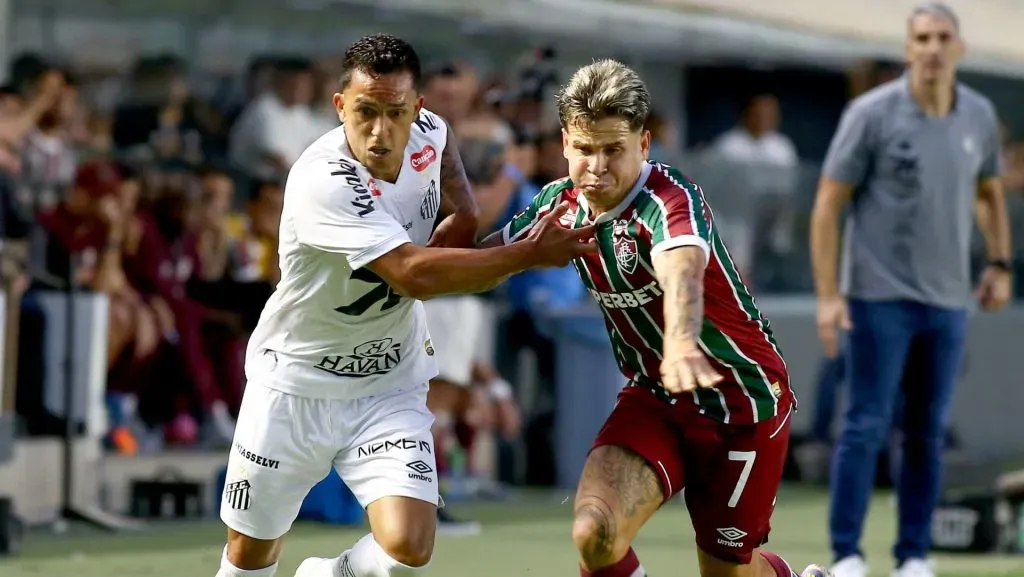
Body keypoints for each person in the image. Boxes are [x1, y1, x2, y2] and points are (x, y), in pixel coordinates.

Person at [214, 33, 596, 577]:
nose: (379, 130)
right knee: (251, 555)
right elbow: (411, 275)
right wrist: (527, 253)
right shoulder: (322, 178)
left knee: (410, 546)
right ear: (340, 105)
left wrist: (492, 236)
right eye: (365, 111)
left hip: (384, 382)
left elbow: (462, 214)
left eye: (395, 112)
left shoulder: (433, 134)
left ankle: (326, 574)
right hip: (295, 383)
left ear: (417, 108)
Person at [482, 59, 828, 577]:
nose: (596, 166)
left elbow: (682, 268)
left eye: (612, 150)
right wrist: (409, 268)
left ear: (643, 144)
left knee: (730, 573)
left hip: (740, 403)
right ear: (563, 144)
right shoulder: (558, 207)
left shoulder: (669, 199)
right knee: (595, 534)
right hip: (658, 397)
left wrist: (683, 342)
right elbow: (477, 265)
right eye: (583, 149)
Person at [810, 4, 1012, 577]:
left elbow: (990, 193)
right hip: (877, 297)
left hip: (949, 301)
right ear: (906, 49)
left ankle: (913, 557)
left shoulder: (978, 115)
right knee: (865, 425)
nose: (932, 47)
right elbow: (827, 204)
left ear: (960, 49)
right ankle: (847, 555)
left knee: (927, 431)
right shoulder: (870, 115)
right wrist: (829, 296)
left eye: (943, 37)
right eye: (921, 38)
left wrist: (999, 263)